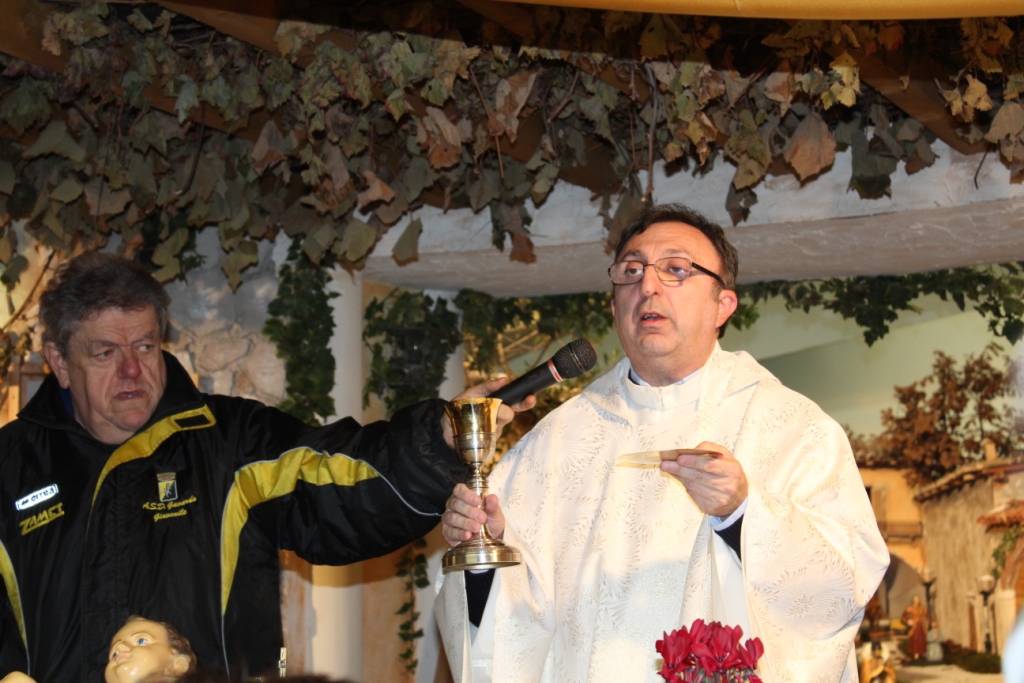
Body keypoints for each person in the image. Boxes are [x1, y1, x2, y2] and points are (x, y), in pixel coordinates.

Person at [0, 252, 531, 683]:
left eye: (144, 345)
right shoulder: (9, 466)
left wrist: (440, 437)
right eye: (105, 353)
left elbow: (343, 477)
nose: (132, 370)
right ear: (59, 361)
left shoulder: (230, 441)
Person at [435, 204, 890, 682]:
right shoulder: (554, 441)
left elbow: (842, 587)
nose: (648, 286)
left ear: (723, 305)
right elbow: (503, 637)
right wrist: (487, 552)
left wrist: (742, 513)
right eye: (631, 271)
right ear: (615, 308)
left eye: (676, 269)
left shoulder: (793, 429)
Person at [901, 595, 928, 660]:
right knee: (915, 639)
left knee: (921, 638)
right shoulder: (910, 608)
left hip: (921, 625)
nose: (917, 601)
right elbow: (903, 617)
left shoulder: (922, 608)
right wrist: (908, 621)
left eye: (918, 600)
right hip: (914, 626)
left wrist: (931, 622)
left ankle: (921, 653)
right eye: (915, 600)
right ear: (913, 601)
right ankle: (916, 654)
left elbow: (927, 615)